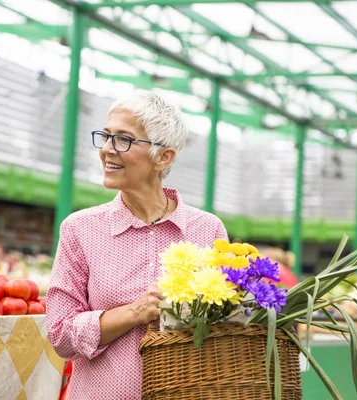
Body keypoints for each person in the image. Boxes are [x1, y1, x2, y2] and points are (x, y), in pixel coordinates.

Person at [46, 90, 228, 399]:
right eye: (106, 136)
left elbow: (226, 325)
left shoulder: (208, 230)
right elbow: (60, 334)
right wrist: (134, 313)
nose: (106, 149)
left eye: (123, 139)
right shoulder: (80, 229)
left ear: (164, 157)